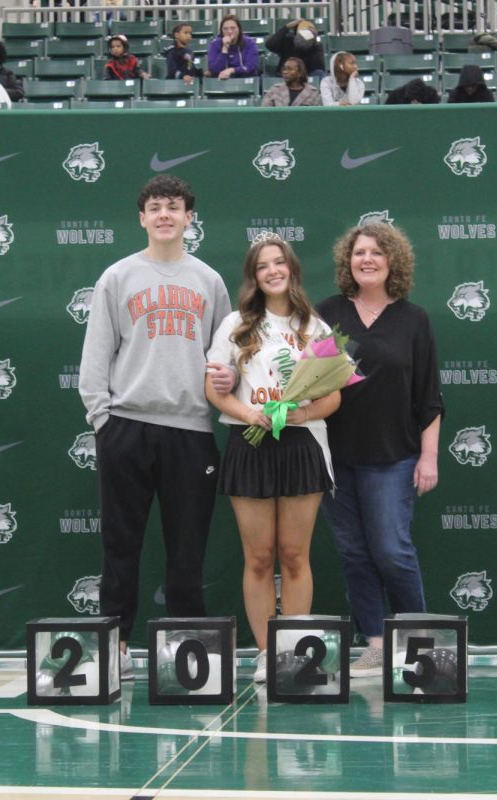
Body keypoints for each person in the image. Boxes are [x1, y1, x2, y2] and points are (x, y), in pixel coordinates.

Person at [77, 175, 234, 680]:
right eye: (155, 207)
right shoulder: (117, 277)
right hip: (126, 424)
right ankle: (116, 645)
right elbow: (96, 355)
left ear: (190, 217)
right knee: (120, 545)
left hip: (191, 431)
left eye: (174, 206)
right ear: (141, 218)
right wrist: (102, 419)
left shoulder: (209, 281)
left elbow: (224, 356)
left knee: (187, 548)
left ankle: (186, 652)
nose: (164, 214)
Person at [204, 235, 340, 682]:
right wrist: (250, 413)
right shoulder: (235, 325)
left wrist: (298, 411)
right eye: (263, 266)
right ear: (254, 276)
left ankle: (293, 652)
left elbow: (333, 397)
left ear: (292, 269)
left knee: (295, 555)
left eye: (279, 262)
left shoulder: (316, 329)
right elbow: (213, 389)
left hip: (301, 446)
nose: (273, 271)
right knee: (259, 557)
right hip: (250, 442)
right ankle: (267, 654)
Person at [317, 223, 444, 677]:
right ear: (346, 262)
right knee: (353, 552)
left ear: (393, 261)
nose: (366, 259)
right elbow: (305, 379)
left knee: (392, 549)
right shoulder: (326, 313)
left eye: (375, 252)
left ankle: (419, 641)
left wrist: (428, 457)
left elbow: (429, 398)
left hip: (395, 457)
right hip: (333, 458)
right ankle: (374, 641)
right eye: (358, 253)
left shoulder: (415, 319)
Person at [207, 15, 259, 79]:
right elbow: (214, 70)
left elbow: (251, 66)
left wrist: (232, 70)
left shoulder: (250, 43)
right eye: (225, 29)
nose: (229, 32)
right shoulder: (215, 44)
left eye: (233, 28)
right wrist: (224, 49)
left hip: (245, 81)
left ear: (239, 29)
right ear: (221, 31)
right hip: (221, 82)